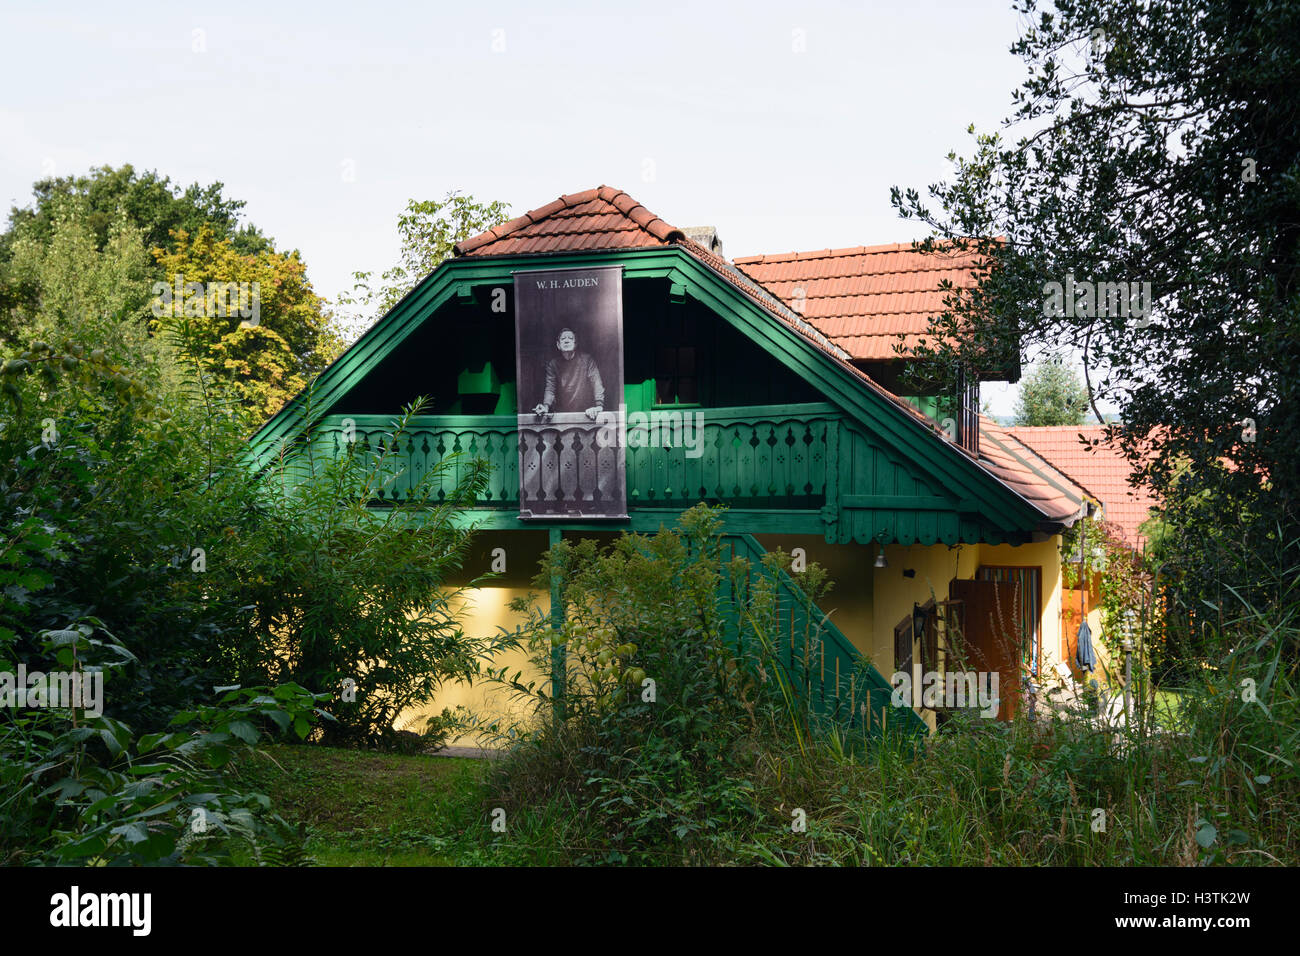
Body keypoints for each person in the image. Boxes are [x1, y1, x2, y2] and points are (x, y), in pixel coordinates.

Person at [533, 327, 604, 419]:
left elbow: (596, 383)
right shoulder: (553, 364)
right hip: (561, 414)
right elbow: (550, 388)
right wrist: (545, 406)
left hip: (586, 413)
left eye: (570, 338)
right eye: (563, 339)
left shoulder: (587, 360)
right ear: (558, 345)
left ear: (575, 344)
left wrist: (599, 406)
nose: (566, 341)